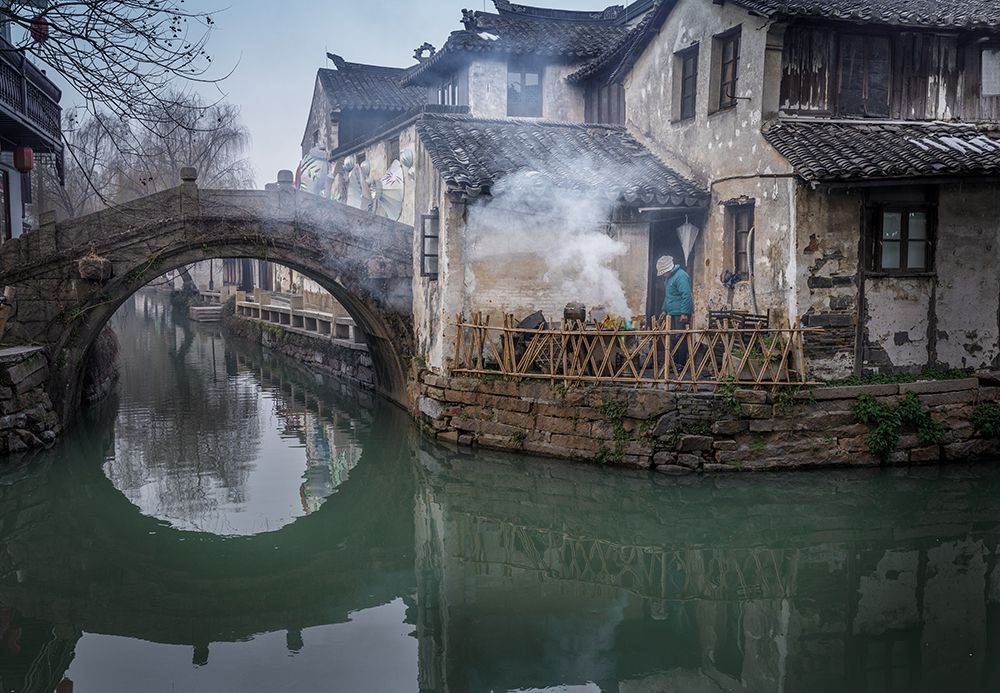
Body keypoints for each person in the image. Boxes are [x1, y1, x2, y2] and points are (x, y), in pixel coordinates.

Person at [657, 255, 694, 375]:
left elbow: (686, 295)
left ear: (669, 269)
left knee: (680, 338)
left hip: (680, 314)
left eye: (664, 272)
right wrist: (664, 309)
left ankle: (681, 364)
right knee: (672, 338)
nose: (663, 274)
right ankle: (673, 363)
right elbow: (669, 297)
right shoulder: (668, 279)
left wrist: (684, 312)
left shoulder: (681, 276)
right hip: (672, 312)